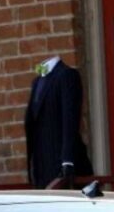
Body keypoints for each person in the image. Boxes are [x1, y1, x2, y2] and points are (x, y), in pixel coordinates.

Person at [24, 55, 94, 188]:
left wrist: (67, 161)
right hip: (41, 167)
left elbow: (70, 119)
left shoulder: (67, 75)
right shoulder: (37, 82)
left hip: (61, 166)